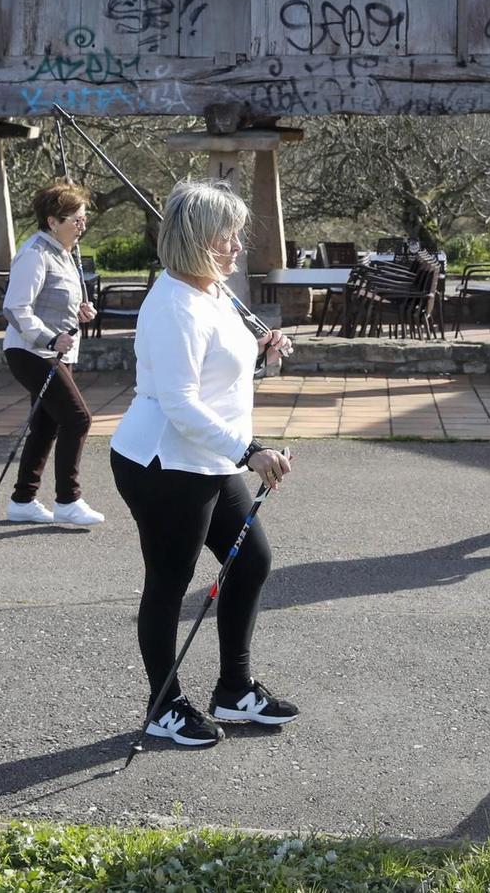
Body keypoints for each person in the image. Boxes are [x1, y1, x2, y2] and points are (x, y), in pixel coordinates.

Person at [109, 180, 297, 748]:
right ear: (195, 240)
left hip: (209, 456)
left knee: (252, 561)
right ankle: (162, 705)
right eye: (227, 238)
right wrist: (249, 452)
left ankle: (233, 690)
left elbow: (222, 377)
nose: (237, 248)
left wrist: (262, 360)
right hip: (163, 463)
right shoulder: (172, 305)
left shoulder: (213, 293)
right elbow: (180, 403)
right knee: (169, 583)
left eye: (237, 236)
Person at [0, 180, 102, 526]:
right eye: (75, 218)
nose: (82, 225)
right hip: (31, 352)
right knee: (78, 418)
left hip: (53, 354)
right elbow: (15, 309)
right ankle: (67, 500)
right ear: (52, 220)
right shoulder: (35, 254)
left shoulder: (64, 254)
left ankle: (23, 501)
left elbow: (59, 302)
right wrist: (49, 339)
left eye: (83, 218)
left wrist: (81, 311)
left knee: (46, 426)